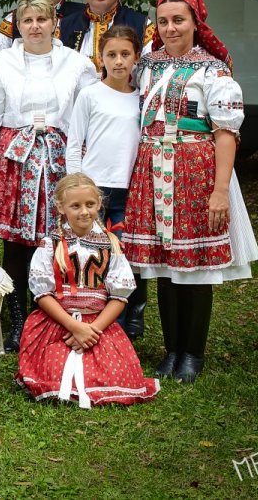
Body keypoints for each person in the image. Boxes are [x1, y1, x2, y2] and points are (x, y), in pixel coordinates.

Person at [122, 0, 258, 383]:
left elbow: (226, 133)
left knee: (195, 269)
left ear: (196, 24)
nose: (170, 28)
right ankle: (172, 351)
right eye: (163, 21)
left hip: (194, 171)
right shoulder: (145, 65)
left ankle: (193, 353)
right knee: (166, 267)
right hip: (152, 171)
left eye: (178, 20)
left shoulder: (213, 71)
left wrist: (219, 190)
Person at [0, 0, 98, 352]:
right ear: (18, 25)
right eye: (27, 21)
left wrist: (80, 172)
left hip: (59, 158)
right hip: (15, 158)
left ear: (54, 23)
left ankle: (50, 317)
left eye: (42, 20)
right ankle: (17, 320)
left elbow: (85, 118)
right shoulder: (0, 62)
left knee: (55, 240)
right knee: (16, 243)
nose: (35, 27)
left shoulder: (75, 64)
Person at [15, 173, 160, 408]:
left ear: (99, 204)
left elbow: (119, 297)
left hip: (98, 324)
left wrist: (91, 331)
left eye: (90, 204)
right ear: (61, 207)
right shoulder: (50, 244)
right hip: (58, 324)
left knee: (113, 374)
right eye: (76, 206)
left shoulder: (110, 244)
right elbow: (42, 294)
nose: (84, 211)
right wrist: (74, 326)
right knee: (54, 369)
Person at [65, 24, 146, 339]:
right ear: (101, 58)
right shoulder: (90, 95)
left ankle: (126, 321)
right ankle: (88, 316)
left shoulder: (140, 98)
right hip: (94, 191)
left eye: (125, 54)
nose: (119, 61)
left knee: (125, 256)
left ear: (136, 58)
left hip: (128, 190)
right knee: (92, 255)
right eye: (111, 54)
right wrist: (76, 186)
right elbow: (74, 144)